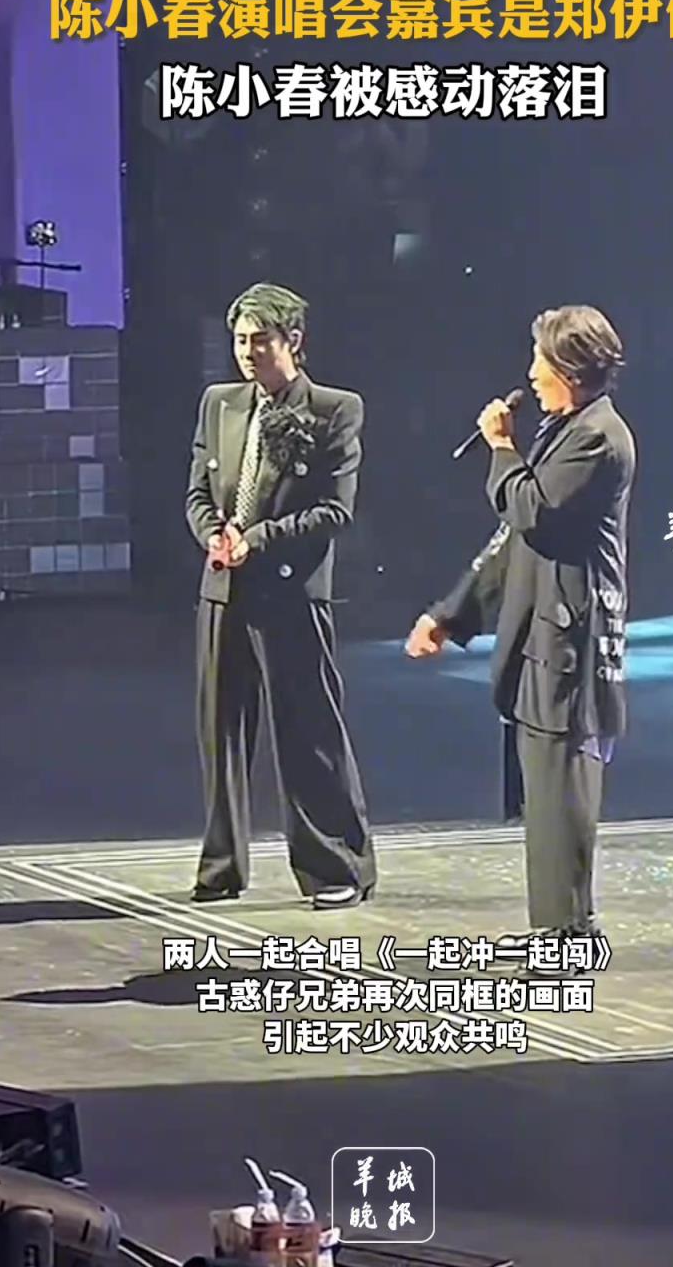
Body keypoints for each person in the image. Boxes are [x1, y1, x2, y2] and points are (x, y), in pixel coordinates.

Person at [406, 305, 635, 941]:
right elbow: (512, 541)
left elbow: (531, 510)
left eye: (542, 363)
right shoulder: (566, 431)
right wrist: (450, 614)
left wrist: (501, 448)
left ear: (572, 368)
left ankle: (569, 934)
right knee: (543, 795)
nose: (531, 376)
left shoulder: (598, 437)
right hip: (542, 636)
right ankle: (553, 929)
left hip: (572, 641)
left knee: (563, 793)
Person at [185, 282, 376, 908]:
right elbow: (198, 491)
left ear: (293, 339)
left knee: (307, 731)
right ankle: (221, 867)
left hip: (290, 593)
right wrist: (215, 535)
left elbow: (334, 511)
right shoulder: (219, 404)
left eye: (260, 340)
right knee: (221, 733)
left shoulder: (334, 409)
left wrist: (258, 539)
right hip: (224, 588)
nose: (248, 352)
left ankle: (336, 867)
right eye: (240, 340)